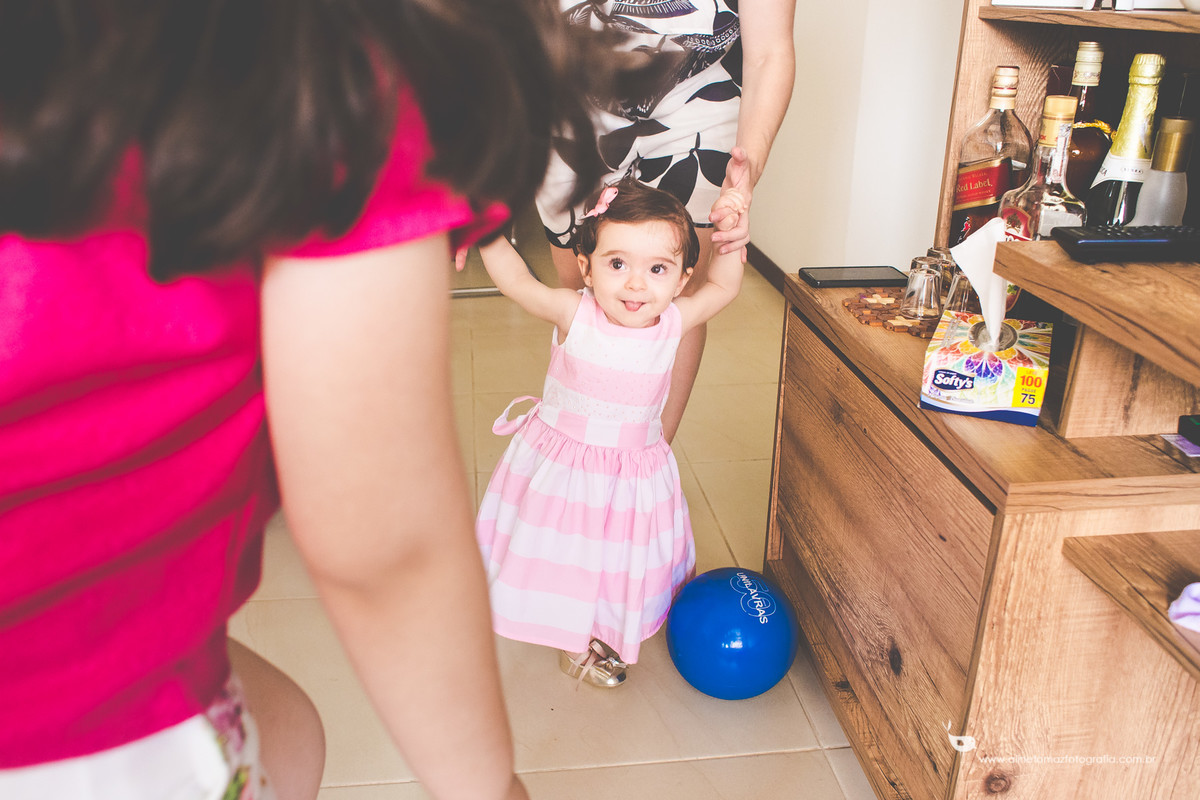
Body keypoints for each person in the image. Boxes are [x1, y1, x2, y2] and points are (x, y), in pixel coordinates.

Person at [0, 3, 608, 799]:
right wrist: (489, 790)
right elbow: (384, 546)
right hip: (68, 738)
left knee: (291, 736)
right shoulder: (330, 78)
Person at [474, 178, 745, 687]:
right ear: (586, 267)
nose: (635, 285)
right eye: (617, 264)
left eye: (657, 269)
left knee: (617, 559)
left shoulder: (674, 324)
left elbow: (725, 286)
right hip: (565, 469)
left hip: (633, 475)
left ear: (683, 278)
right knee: (566, 556)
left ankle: (601, 635)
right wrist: (485, 230)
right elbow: (517, 282)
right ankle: (568, 635)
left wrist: (730, 237)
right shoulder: (573, 312)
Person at [535, 0, 796, 442]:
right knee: (586, 290)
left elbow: (770, 50)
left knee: (671, 294)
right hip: (570, 83)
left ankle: (645, 458)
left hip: (701, 93)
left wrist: (744, 177)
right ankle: (577, 448)